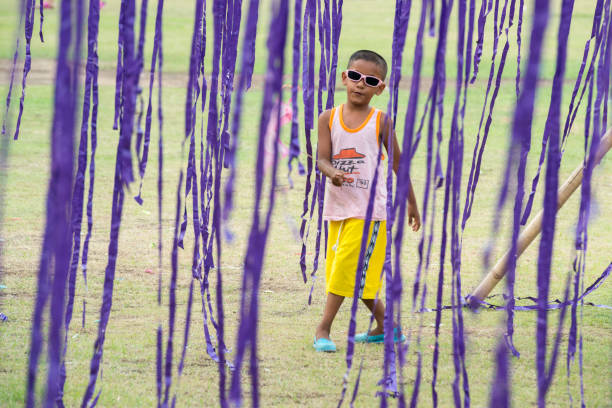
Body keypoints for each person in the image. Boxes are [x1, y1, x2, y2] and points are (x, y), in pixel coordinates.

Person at [313, 50, 421, 352]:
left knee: (345, 270)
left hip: (368, 211)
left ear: (380, 88)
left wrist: (412, 203)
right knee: (352, 274)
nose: (361, 84)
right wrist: (332, 172)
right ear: (344, 78)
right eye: (355, 76)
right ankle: (388, 327)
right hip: (337, 209)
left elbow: (400, 165)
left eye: (370, 80)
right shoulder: (328, 118)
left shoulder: (381, 122)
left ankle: (323, 329)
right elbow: (321, 159)